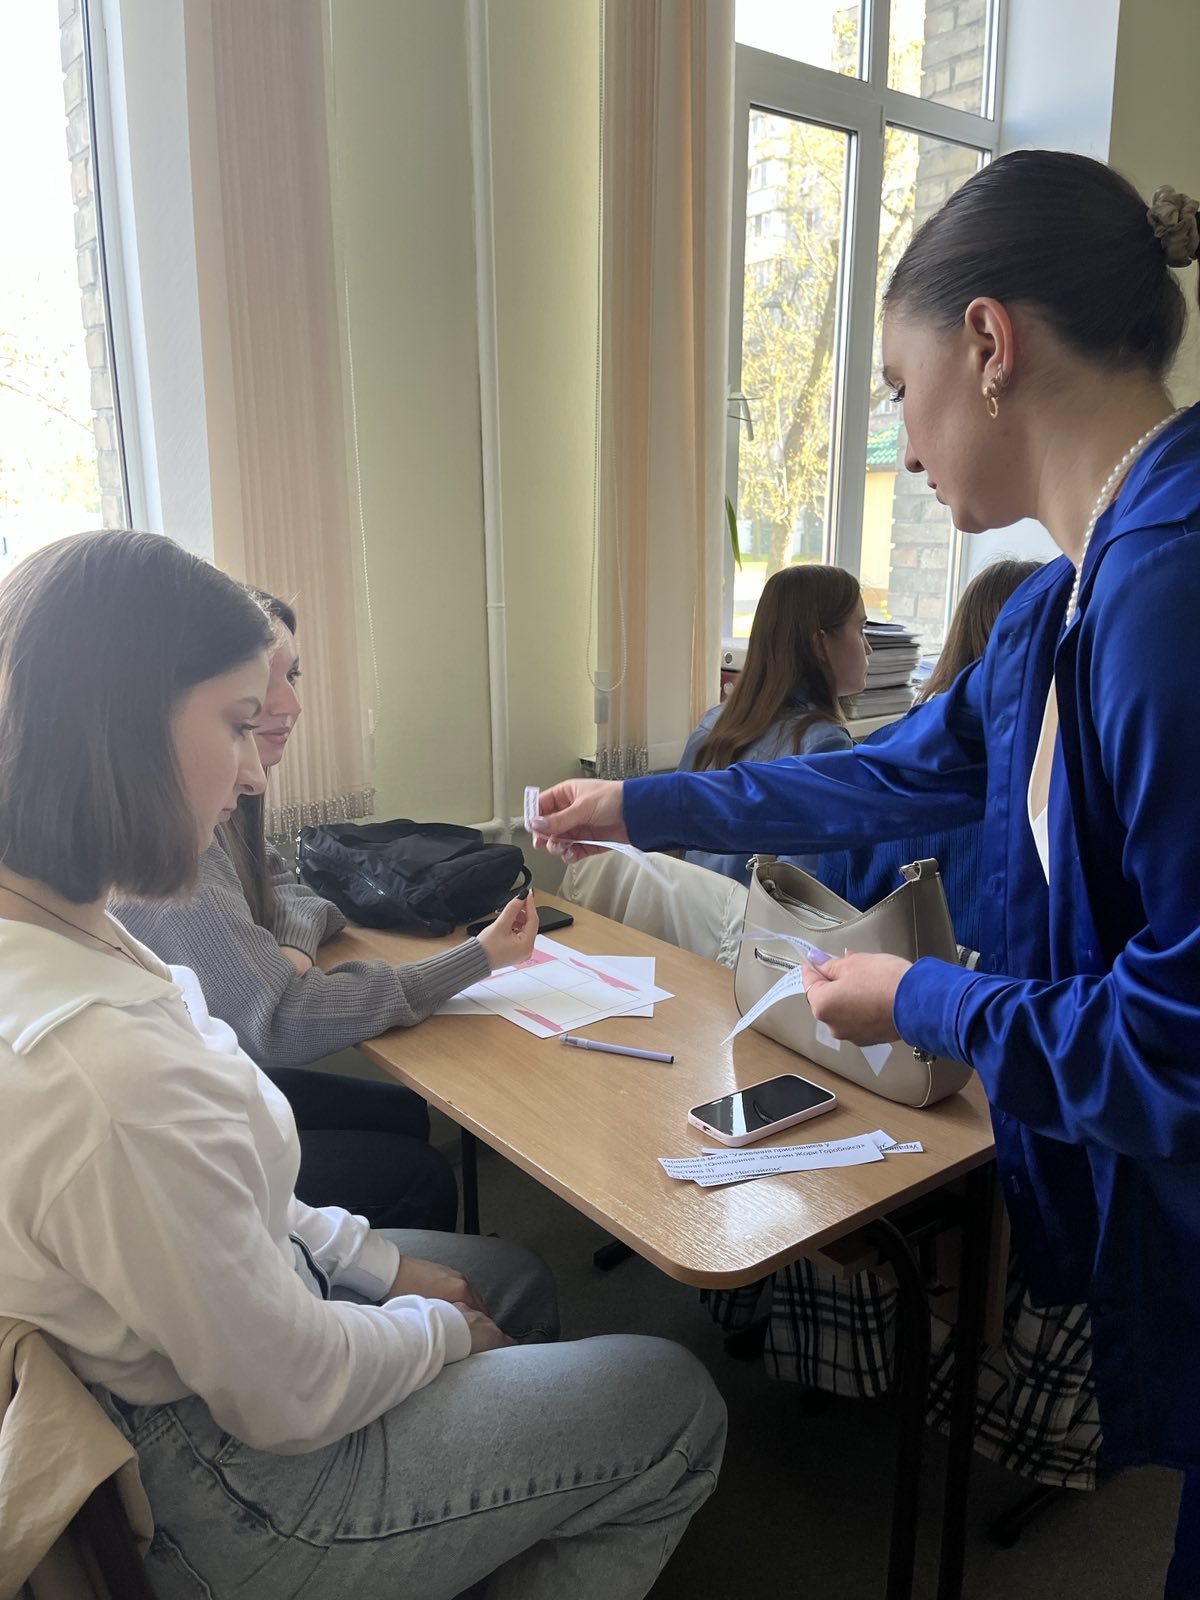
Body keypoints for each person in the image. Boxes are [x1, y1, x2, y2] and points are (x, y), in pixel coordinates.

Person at [535, 152, 1200, 1591]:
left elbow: (1182, 1033)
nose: (900, 445)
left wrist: (925, 1001)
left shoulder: (1170, 594)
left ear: (989, 343)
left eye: (900, 388)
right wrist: (641, 804)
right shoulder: (1066, 603)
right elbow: (891, 773)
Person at [0, 530, 725, 1599]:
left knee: (513, 1278)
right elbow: (285, 1391)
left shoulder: (67, 923)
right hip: (244, 1487)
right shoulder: (101, 1071)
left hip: (216, 1345)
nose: (255, 770)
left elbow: (234, 1195)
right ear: (122, 729)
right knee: (676, 1400)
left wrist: (386, 1275)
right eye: (238, 724)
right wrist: (433, 1329)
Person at [115, 588, 537, 1232]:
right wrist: (474, 959)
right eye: (265, 684)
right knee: (417, 1173)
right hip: (183, 1121)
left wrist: (288, 950)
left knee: (402, 1112)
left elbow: (289, 886)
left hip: (211, 1074)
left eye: (294, 676)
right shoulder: (170, 840)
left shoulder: (228, 791)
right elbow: (280, 1023)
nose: (291, 705)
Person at [815, 558, 1041, 954]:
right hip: (994, 991)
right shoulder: (1050, 777)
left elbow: (827, 918)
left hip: (869, 983)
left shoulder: (878, 753)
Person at [679, 564, 869, 885]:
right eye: (861, 629)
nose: (868, 647)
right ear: (820, 644)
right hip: (758, 916)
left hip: (696, 912)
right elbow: (805, 888)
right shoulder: (825, 745)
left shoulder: (713, 723)